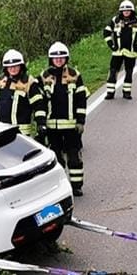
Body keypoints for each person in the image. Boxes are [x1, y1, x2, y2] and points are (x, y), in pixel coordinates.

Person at [39, 42, 88, 197]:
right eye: (56, 58)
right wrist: (41, 123)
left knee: (74, 157)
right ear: (51, 59)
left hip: (71, 126)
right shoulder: (44, 76)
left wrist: (81, 121)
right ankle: (60, 188)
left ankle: (76, 186)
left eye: (61, 57)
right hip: (51, 127)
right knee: (56, 159)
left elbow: (81, 99)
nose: (58, 60)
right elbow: (39, 102)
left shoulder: (75, 75)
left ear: (66, 58)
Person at [0, 50, 46, 138]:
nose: (13, 69)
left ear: (21, 66)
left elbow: (39, 105)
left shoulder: (29, 82)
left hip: (22, 134)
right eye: (10, 66)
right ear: (6, 68)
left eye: (15, 66)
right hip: (1, 131)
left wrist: (41, 124)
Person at [102, 0, 137, 100]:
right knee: (113, 71)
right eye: (124, 10)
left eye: (128, 10)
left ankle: (126, 92)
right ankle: (110, 92)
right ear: (121, 11)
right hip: (117, 52)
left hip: (131, 52)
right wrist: (111, 45)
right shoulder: (115, 20)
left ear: (132, 11)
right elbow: (106, 32)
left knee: (129, 72)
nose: (126, 12)